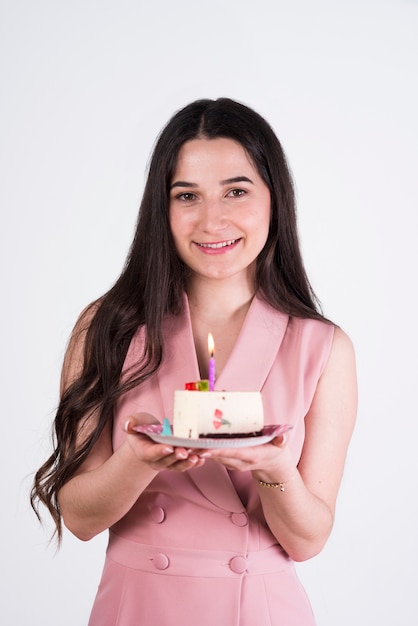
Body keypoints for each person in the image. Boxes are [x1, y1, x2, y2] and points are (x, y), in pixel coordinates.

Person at [31, 97, 357, 626]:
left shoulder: (322, 348)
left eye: (236, 191)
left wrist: (274, 468)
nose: (212, 220)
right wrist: (136, 460)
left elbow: (308, 540)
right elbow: (80, 518)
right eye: (188, 195)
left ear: (276, 198)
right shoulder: (106, 327)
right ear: (162, 208)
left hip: (258, 609)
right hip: (136, 606)